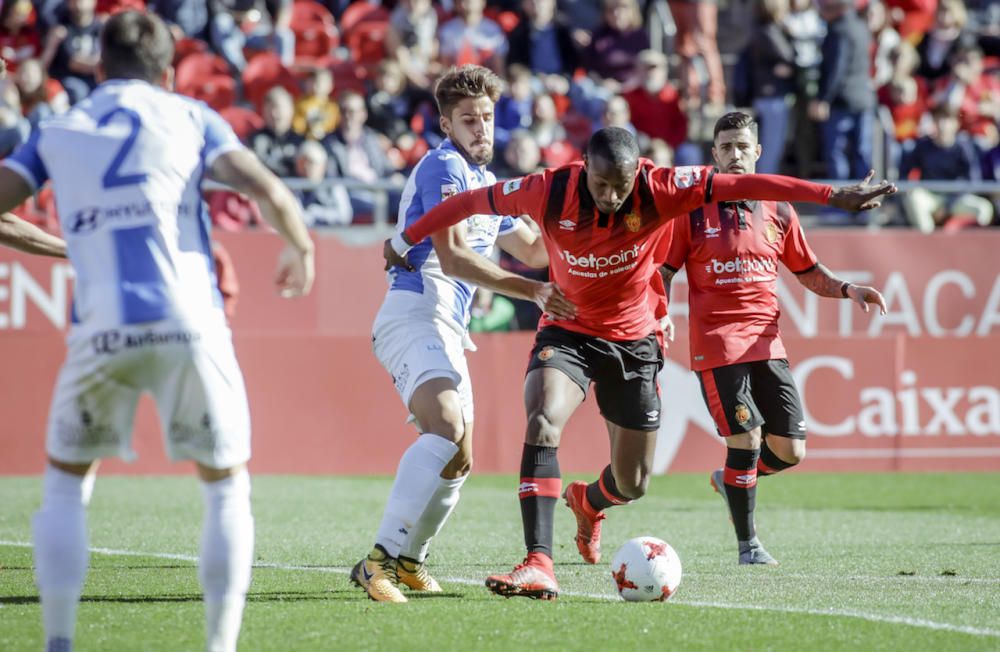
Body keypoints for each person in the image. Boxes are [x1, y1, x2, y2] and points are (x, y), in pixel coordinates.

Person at [383, 126, 895, 599]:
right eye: (601, 185)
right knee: (542, 419)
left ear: (637, 174)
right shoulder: (548, 188)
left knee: (632, 481)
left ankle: (589, 502)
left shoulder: (662, 187)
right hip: (567, 331)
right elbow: (467, 202)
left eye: (620, 187)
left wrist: (832, 195)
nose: (611, 196)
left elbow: (748, 183)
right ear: (584, 168)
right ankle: (538, 560)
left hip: (633, 342)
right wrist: (407, 237)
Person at [0, 11, 314, 650]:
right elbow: (265, 187)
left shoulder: (57, 128)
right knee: (225, 489)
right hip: (191, 325)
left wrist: (68, 247)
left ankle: (57, 642)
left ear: (97, 68)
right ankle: (220, 646)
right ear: (168, 72)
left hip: (101, 330)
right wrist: (300, 246)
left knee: (65, 483)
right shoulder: (193, 116)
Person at [351, 64, 554, 604]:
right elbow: (455, 255)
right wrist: (532, 291)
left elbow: (536, 250)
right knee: (444, 427)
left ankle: (411, 560)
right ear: (446, 125)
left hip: (447, 325)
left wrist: (578, 218)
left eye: (487, 116)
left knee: (459, 458)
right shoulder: (445, 167)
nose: (481, 128)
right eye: (469, 119)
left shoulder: (487, 185)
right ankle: (377, 562)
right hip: (414, 311)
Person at [657, 112, 887, 565]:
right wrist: (660, 315)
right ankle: (749, 546)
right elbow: (663, 272)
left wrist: (848, 289)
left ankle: (730, 480)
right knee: (746, 440)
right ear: (714, 155)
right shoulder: (692, 211)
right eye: (726, 147)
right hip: (718, 345)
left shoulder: (779, 209)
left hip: (767, 343)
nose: (735, 154)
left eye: (743, 146)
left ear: (758, 152)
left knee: (790, 450)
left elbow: (808, 271)